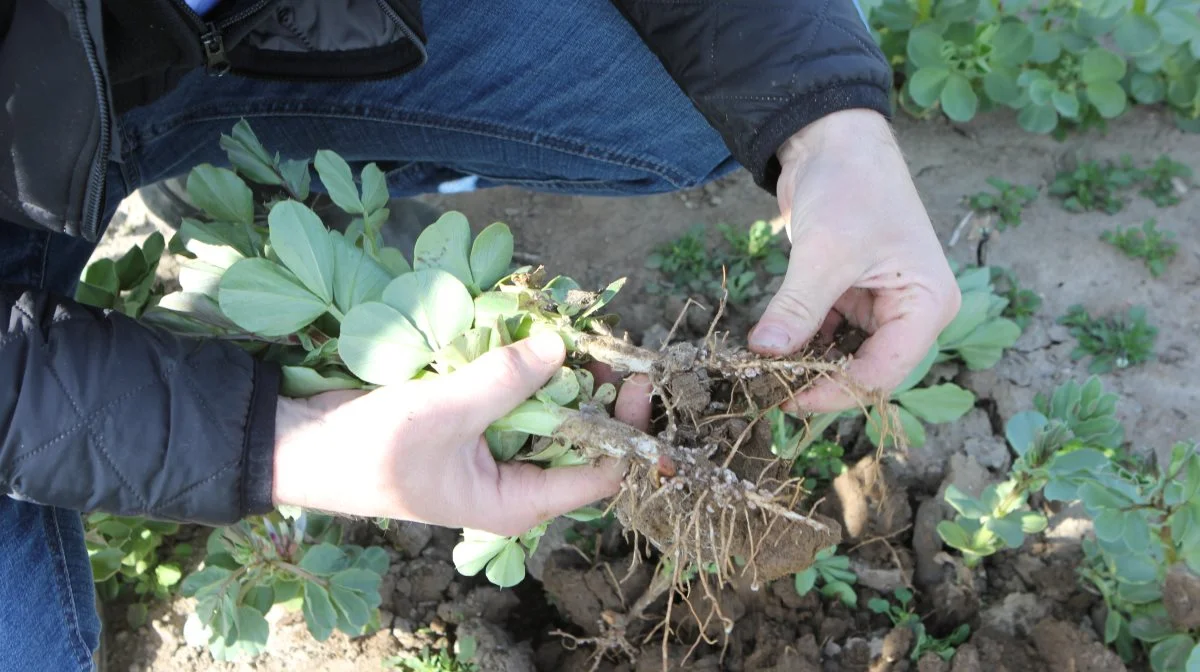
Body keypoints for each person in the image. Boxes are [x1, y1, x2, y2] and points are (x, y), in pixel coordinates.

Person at [0, 1, 961, 669]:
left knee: (704, 90)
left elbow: (788, 88)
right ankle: (231, 189)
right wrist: (280, 443)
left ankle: (238, 163)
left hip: (240, 24)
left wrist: (830, 123)